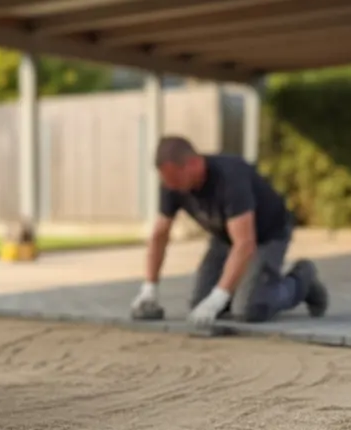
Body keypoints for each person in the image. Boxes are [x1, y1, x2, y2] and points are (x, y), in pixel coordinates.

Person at [130, 135, 328, 325]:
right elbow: (160, 235)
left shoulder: (230, 176)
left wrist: (218, 297)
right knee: (200, 305)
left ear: (193, 164)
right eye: (166, 180)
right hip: (226, 238)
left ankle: (302, 280)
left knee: (250, 309)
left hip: (268, 234)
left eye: (174, 179)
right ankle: (244, 287)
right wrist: (149, 288)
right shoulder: (172, 184)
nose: (170, 186)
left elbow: (245, 244)